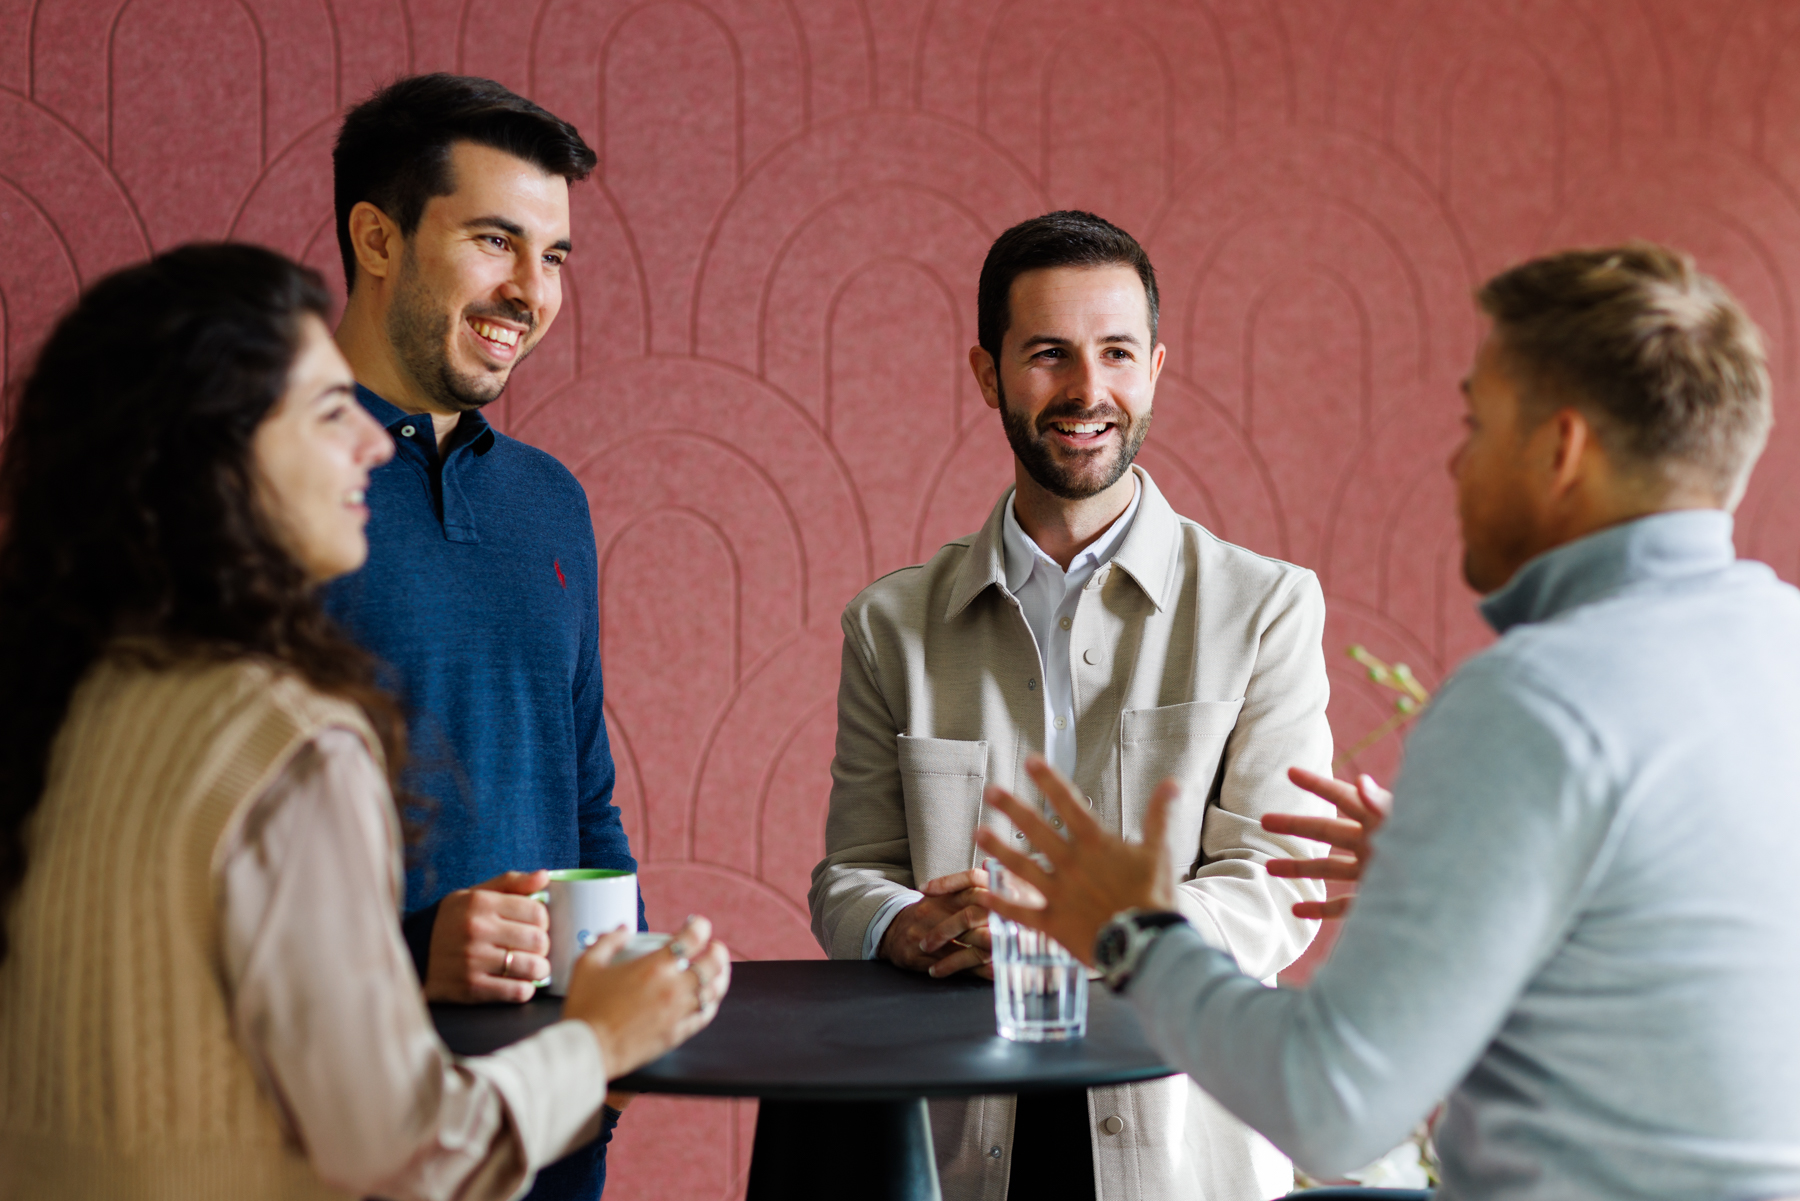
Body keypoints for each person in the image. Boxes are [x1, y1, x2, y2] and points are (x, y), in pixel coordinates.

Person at [976, 243, 1800, 1200]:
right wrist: (1472, 876)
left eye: (1476, 420)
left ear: (1561, 449)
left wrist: (1131, 933)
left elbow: (1332, 1106)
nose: (1455, 460)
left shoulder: (1531, 702)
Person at [0, 244, 730, 1200]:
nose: (375, 443)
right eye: (327, 409)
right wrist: (601, 1042)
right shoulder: (290, 743)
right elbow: (408, 1152)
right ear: (213, 457)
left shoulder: (68, 704)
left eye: (555, 252)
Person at [808, 210, 1336, 1201]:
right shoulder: (891, 623)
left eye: (1116, 354)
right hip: (964, 1141)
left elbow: (1275, 886)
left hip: (1187, 1144)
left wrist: (1116, 928)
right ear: (988, 372)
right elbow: (851, 877)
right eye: (1049, 354)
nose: (1087, 391)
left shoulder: (1266, 607)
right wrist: (904, 924)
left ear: (1156, 369)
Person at [320, 76, 632, 1199]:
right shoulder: (260, 476)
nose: (530, 291)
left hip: (551, 1111)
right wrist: (409, 954)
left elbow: (584, 791)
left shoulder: (552, 502)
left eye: (553, 256)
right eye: (496, 240)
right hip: (335, 1114)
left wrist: (621, 1011)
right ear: (378, 237)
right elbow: (181, 837)